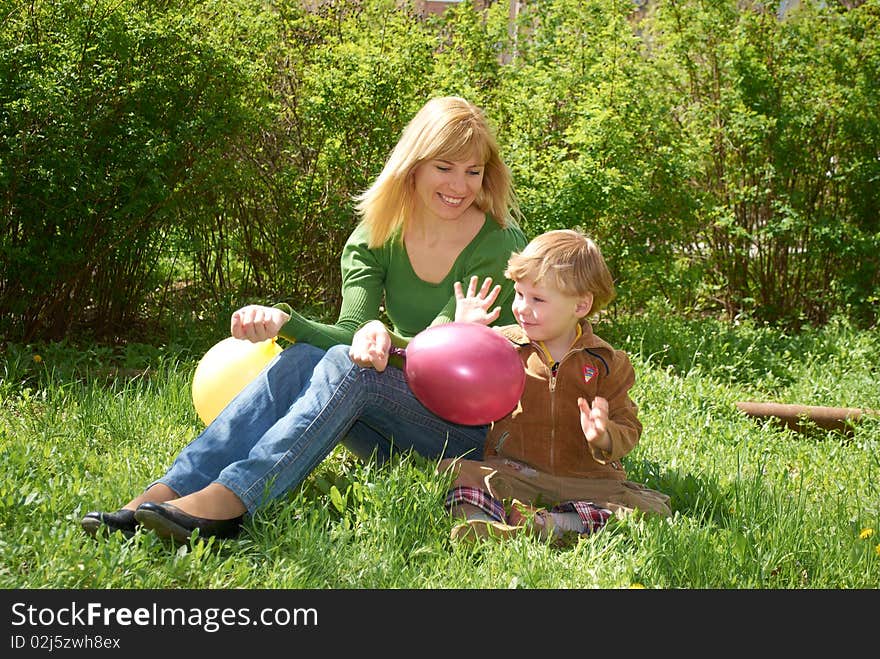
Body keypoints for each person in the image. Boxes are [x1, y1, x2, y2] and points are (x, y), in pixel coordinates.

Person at [80, 95, 526, 541]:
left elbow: (437, 357)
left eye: (473, 171)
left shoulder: (496, 245)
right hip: (388, 423)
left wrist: (383, 336)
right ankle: (163, 494)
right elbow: (352, 333)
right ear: (414, 165)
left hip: (469, 434)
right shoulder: (378, 233)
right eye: (444, 167)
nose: (460, 186)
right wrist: (283, 321)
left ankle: (232, 501)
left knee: (352, 371)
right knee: (306, 356)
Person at [439, 229, 671, 544]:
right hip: (515, 471)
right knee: (455, 474)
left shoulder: (607, 362)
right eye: (519, 294)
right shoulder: (503, 346)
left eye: (538, 299)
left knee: (651, 509)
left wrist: (604, 435)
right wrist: (464, 332)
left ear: (580, 306)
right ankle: (481, 524)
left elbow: (627, 425)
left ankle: (549, 522)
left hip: (586, 480)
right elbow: (453, 383)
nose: (521, 307)